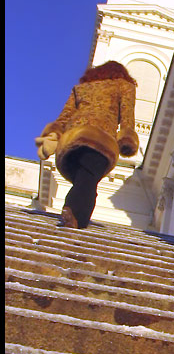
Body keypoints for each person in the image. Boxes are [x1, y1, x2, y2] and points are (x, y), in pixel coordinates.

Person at [35, 60, 139, 229]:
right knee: (88, 179)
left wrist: (52, 136)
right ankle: (74, 214)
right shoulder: (124, 85)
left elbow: (64, 117)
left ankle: (74, 215)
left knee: (84, 180)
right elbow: (127, 116)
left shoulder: (82, 88)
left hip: (71, 141)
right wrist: (127, 139)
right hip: (99, 140)